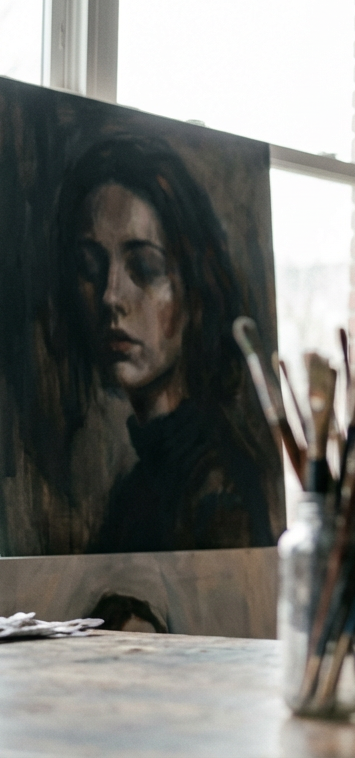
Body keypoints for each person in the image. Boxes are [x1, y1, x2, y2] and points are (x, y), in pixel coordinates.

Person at [51, 136, 278, 553]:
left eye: (144, 267)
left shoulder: (218, 488)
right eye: (90, 267)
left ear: (196, 293)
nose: (110, 296)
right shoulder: (138, 486)